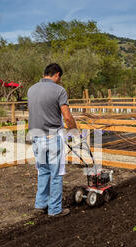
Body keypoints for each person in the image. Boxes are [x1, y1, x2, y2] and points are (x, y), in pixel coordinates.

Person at [27, 63, 78, 217]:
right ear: (56, 74)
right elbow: (67, 117)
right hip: (51, 137)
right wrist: (75, 131)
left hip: (35, 136)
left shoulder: (31, 89)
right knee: (56, 174)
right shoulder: (59, 90)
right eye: (59, 78)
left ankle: (41, 203)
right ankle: (55, 209)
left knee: (43, 171)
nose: (59, 80)